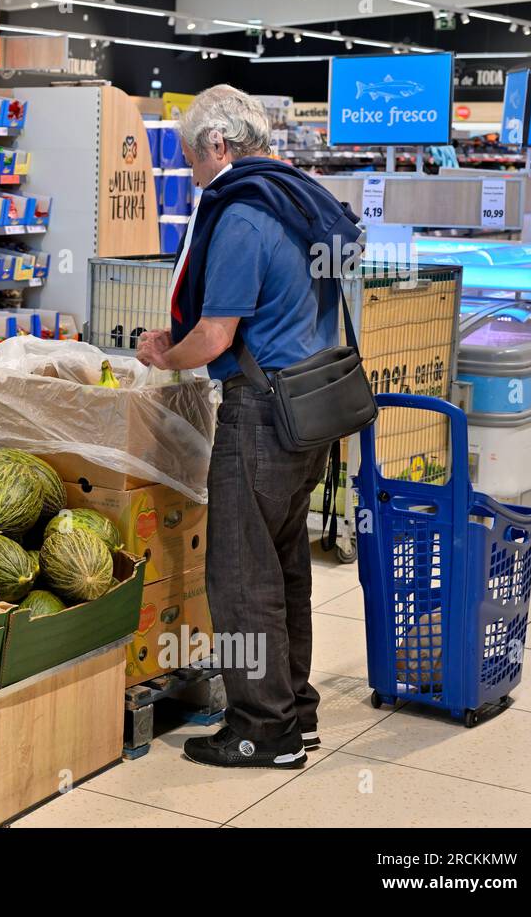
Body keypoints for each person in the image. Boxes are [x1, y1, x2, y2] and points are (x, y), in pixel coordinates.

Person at [135, 85, 362, 770]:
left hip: (261, 414)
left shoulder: (242, 213)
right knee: (284, 566)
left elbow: (214, 334)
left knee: (240, 577)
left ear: (218, 147)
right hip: (313, 408)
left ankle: (264, 731)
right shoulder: (300, 196)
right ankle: (297, 709)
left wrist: (162, 359)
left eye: (191, 159)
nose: (194, 174)